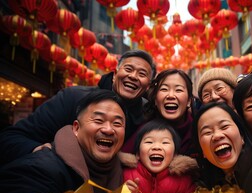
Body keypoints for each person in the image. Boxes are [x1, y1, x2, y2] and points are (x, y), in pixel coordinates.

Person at [0, 49, 156, 163]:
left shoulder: (148, 114)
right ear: (115, 74)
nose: (133, 76)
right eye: (128, 69)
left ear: (147, 86)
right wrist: (40, 151)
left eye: (142, 74)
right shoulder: (74, 97)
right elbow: (11, 138)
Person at [0, 89, 126, 193]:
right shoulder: (42, 169)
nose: (108, 130)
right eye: (99, 120)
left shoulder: (118, 175)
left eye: (117, 123)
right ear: (76, 128)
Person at [124, 119, 196, 193]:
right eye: (149, 142)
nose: (156, 147)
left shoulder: (183, 179)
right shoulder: (125, 175)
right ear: (137, 154)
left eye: (165, 142)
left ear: (174, 155)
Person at [122, 68, 197, 157]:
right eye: (164, 89)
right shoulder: (142, 130)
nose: (171, 96)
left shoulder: (199, 131)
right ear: (155, 100)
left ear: (189, 101)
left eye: (178, 90)